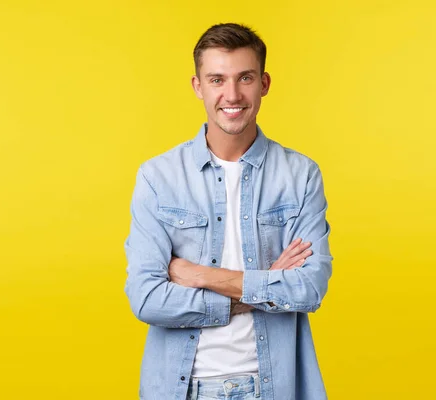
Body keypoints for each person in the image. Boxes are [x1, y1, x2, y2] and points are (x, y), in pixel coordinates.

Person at [125, 23, 333, 400]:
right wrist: (266, 285)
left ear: (264, 83)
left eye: (245, 78)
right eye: (217, 79)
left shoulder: (301, 176)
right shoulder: (158, 177)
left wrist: (198, 275)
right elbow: (146, 298)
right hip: (182, 390)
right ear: (198, 86)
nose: (232, 94)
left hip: (275, 388)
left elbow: (309, 287)